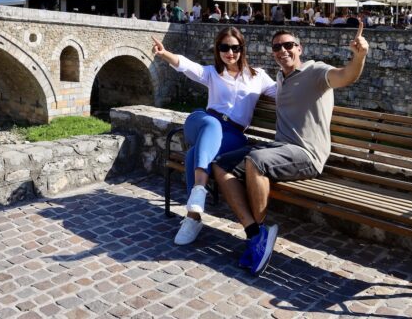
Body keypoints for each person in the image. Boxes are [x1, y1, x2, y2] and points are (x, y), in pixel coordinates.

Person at [213, 26, 369, 276]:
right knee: (221, 164)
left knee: (255, 160)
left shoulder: (316, 71)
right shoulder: (280, 78)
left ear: (299, 48)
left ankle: (261, 233)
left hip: (306, 154)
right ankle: (255, 234)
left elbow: (346, 76)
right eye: (277, 47)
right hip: (280, 150)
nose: (282, 50)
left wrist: (359, 56)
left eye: (288, 45)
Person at [151, 28, 277, 246]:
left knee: (193, 154)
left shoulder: (258, 77)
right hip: (203, 123)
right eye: (224, 47)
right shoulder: (212, 73)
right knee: (211, 124)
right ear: (218, 50)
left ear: (242, 49)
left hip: (234, 134)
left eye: (235, 48)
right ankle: (199, 192)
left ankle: (193, 217)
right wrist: (164, 54)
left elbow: (282, 93)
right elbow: (186, 66)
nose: (230, 52)